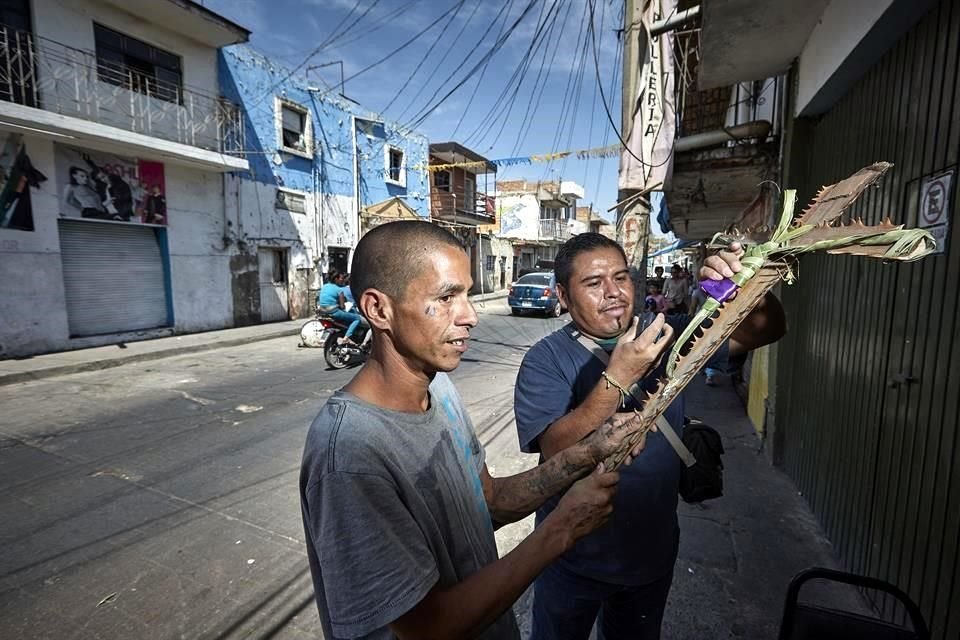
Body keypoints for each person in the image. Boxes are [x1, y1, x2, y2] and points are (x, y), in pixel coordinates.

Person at [300, 221, 651, 639]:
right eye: (447, 297)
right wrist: (562, 528)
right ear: (379, 310)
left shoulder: (440, 390)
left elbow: (489, 502)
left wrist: (587, 452)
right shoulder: (349, 454)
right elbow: (426, 628)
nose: (470, 316)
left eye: (467, 294)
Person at [514, 233, 787, 640]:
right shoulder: (545, 359)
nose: (613, 293)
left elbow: (762, 333)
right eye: (593, 283)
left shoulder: (666, 334)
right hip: (570, 558)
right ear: (563, 296)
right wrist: (619, 376)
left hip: (651, 556)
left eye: (621, 278)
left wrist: (754, 287)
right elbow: (554, 448)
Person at [317, 270, 365, 345]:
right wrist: (342, 305)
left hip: (323, 311)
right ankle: (346, 338)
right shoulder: (339, 290)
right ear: (336, 279)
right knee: (357, 318)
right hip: (334, 312)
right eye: (341, 278)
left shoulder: (324, 286)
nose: (342, 280)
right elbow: (342, 307)